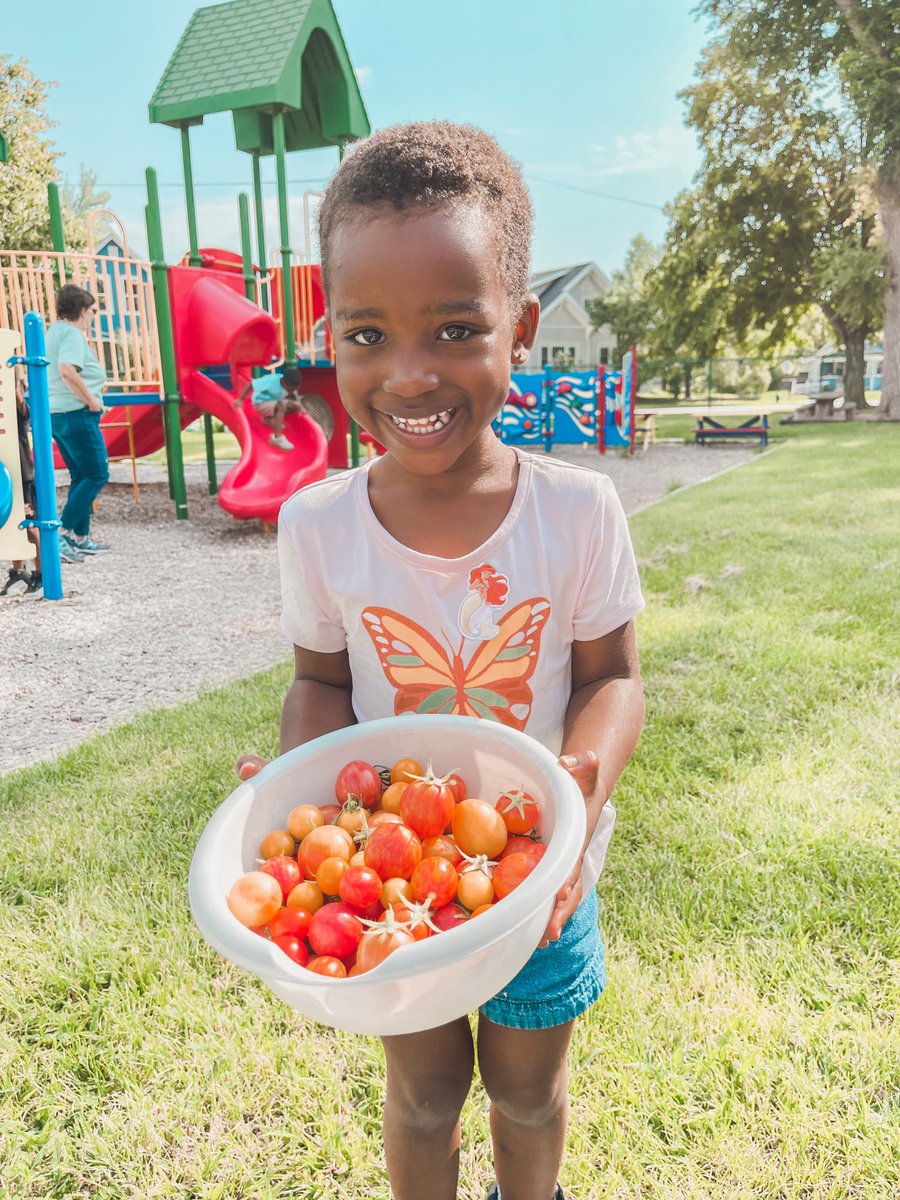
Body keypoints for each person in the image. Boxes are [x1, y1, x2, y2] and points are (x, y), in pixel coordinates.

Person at [241, 123, 645, 1200]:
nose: (407, 374)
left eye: (456, 328)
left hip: (539, 878)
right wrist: (308, 798)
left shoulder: (576, 510)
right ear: (331, 337)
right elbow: (322, 683)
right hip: (386, 886)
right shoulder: (318, 525)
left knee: (525, 1093)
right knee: (422, 1096)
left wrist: (574, 798)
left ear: (518, 328)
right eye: (367, 333)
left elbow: (613, 678)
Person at [46, 283, 111, 559]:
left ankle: (80, 537)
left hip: (58, 415)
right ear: (82, 310)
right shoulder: (72, 334)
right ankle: (61, 533)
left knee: (81, 476)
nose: (94, 317)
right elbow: (66, 370)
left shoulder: (52, 332)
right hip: (76, 413)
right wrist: (91, 401)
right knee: (97, 474)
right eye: (93, 311)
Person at [0, 370, 43, 599]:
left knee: (27, 523)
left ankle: (40, 573)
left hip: (20, 471)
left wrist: (12, 384)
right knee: (9, 522)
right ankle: (18, 570)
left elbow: (24, 411)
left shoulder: (16, 403)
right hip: (3, 470)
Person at [237, 367, 334, 450]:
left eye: (294, 389)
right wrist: (240, 400)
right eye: (290, 389)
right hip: (260, 404)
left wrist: (300, 408)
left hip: (271, 405)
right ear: (283, 381)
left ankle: (268, 420)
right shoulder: (271, 381)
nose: (292, 391)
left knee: (295, 406)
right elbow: (251, 384)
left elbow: (296, 401)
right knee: (281, 405)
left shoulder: (289, 385)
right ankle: (277, 438)